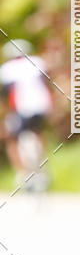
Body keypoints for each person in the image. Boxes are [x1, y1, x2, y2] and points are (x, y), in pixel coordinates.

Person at [0, 39, 53, 189]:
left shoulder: (7, 69)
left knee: (11, 138)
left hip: (21, 109)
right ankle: (43, 163)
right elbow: (47, 84)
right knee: (39, 132)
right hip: (42, 106)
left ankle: (22, 172)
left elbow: (7, 95)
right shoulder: (38, 62)